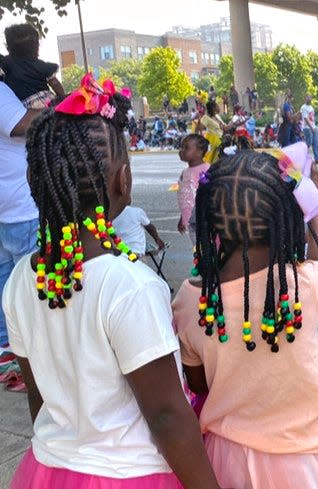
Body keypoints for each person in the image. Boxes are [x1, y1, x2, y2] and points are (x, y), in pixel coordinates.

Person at [4, 74, 221, 489]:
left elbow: (39, 396)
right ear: (123, 180)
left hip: (50, 467)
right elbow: (166, 415)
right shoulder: (130, 285)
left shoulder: (20, 279)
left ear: (36, 183)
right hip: (127, 475)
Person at [172, 150, 318, 489]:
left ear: (209, 221)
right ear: (286, 218)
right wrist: (316, 206)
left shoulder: (192, 301)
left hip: (226, 461)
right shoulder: (304, 285)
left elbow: (198, 384)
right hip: (303, 461)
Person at [0, 80, 40, 370]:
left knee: (4, 284)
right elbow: (20, 123)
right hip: (18, 209)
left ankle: (7, 349)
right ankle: (28, 350)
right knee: (29, 283)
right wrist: (62, 107)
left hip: (7, 208)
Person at [0, 23, 65, 108]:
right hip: (47, 101)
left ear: (8, 48)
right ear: (36, 47)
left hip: (24, 107)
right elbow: (55, 83)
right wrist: (63, 98)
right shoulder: (42, 65)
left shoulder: (7, 62)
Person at [177, 134, 210, 242]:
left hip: (203, 220)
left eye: (186, 148)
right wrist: (183, 218)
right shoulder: (185, 172)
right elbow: (185, 197)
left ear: (199, 152)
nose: (181, 151)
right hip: (191, 220)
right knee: (196, 247)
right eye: (181, 147)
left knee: (205, 247)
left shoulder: (204, 170)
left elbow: (209, 193)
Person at [300, 94, 318, 161]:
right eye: (307, 97)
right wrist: (311, 128)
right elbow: (306, 119)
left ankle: (317, 159)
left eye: (310, 97)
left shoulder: (311, 107)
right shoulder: (303, 107)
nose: (309, 99)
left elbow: (312, 118)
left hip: (313, 127)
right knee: (308, 143)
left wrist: (314, 127)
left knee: (316, 143)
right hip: (307, 128)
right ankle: (301, 156)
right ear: (305, 98)